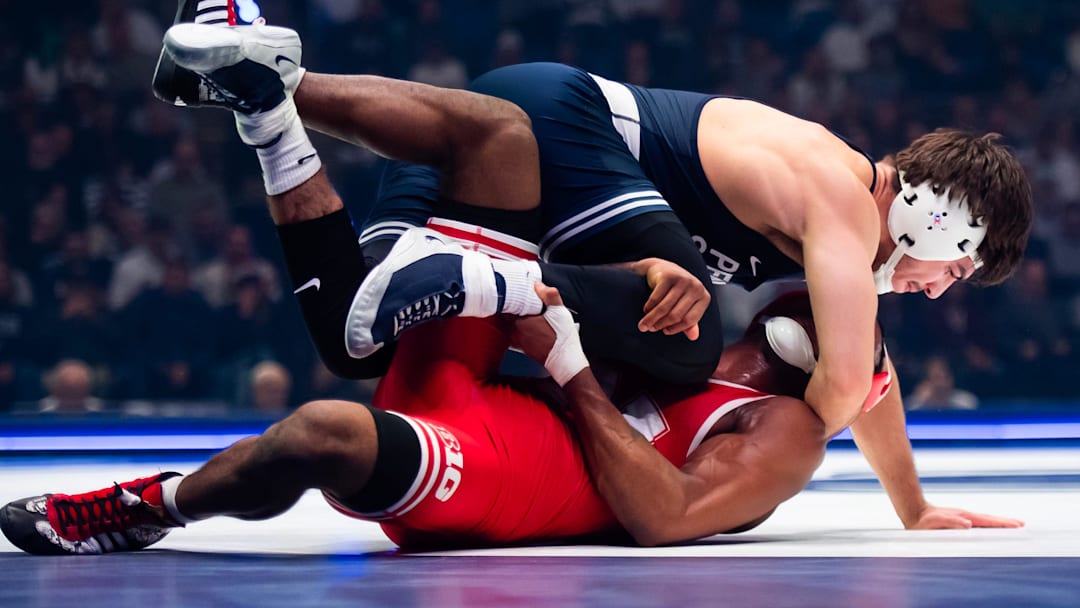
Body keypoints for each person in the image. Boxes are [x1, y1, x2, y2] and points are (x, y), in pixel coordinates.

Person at [143, 15, 1019, 536]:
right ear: (939, 216)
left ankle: (260, 82)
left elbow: (866, 368)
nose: (941, 287)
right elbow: (843, 380)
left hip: (503, 137)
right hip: (568, 130)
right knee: (686, 336)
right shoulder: (843, 199)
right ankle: (493, 278)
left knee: (355, 334)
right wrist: (792, 437)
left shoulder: (839, 234)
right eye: (958, 266)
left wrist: (911, 504)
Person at [0, 282, 952, 555]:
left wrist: (577, 371)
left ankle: (138, 508)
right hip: (496, 405)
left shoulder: (783, 430)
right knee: (487, 195)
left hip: (515, 477)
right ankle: (271, 116)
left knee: (318, 435)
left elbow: (662, 518)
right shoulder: (692, 329)